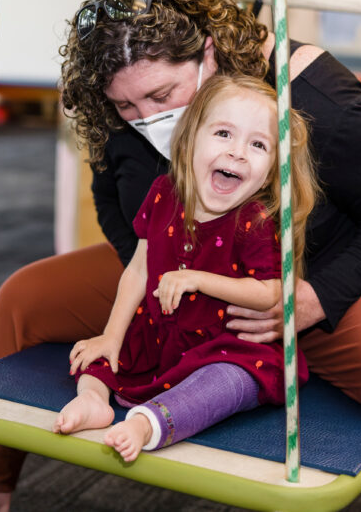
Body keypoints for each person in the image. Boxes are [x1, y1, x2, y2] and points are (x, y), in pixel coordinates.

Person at [0, 0, 361, 512]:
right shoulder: (117, 114)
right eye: (126, 106)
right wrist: (156, 294)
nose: (148, 119)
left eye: (162, 95)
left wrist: (310, 301)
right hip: (177, 271)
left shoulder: (308, 91)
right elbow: (114, 208)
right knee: (23, 297)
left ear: (209, 56)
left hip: (312, 281)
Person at [52, 75, 318, 462]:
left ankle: (150, 423)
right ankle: (94, 401)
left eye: (258, 144)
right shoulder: (163, 192)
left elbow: (271, 292)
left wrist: (198, 279)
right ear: (191, 137)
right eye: (224, 133)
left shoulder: (255, 219)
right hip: (162, 335)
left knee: (228, 381)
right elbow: (139, 270)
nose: (238, 153)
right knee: (97, 357)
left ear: (272, 168)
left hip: (227, 346)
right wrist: (111, 335)